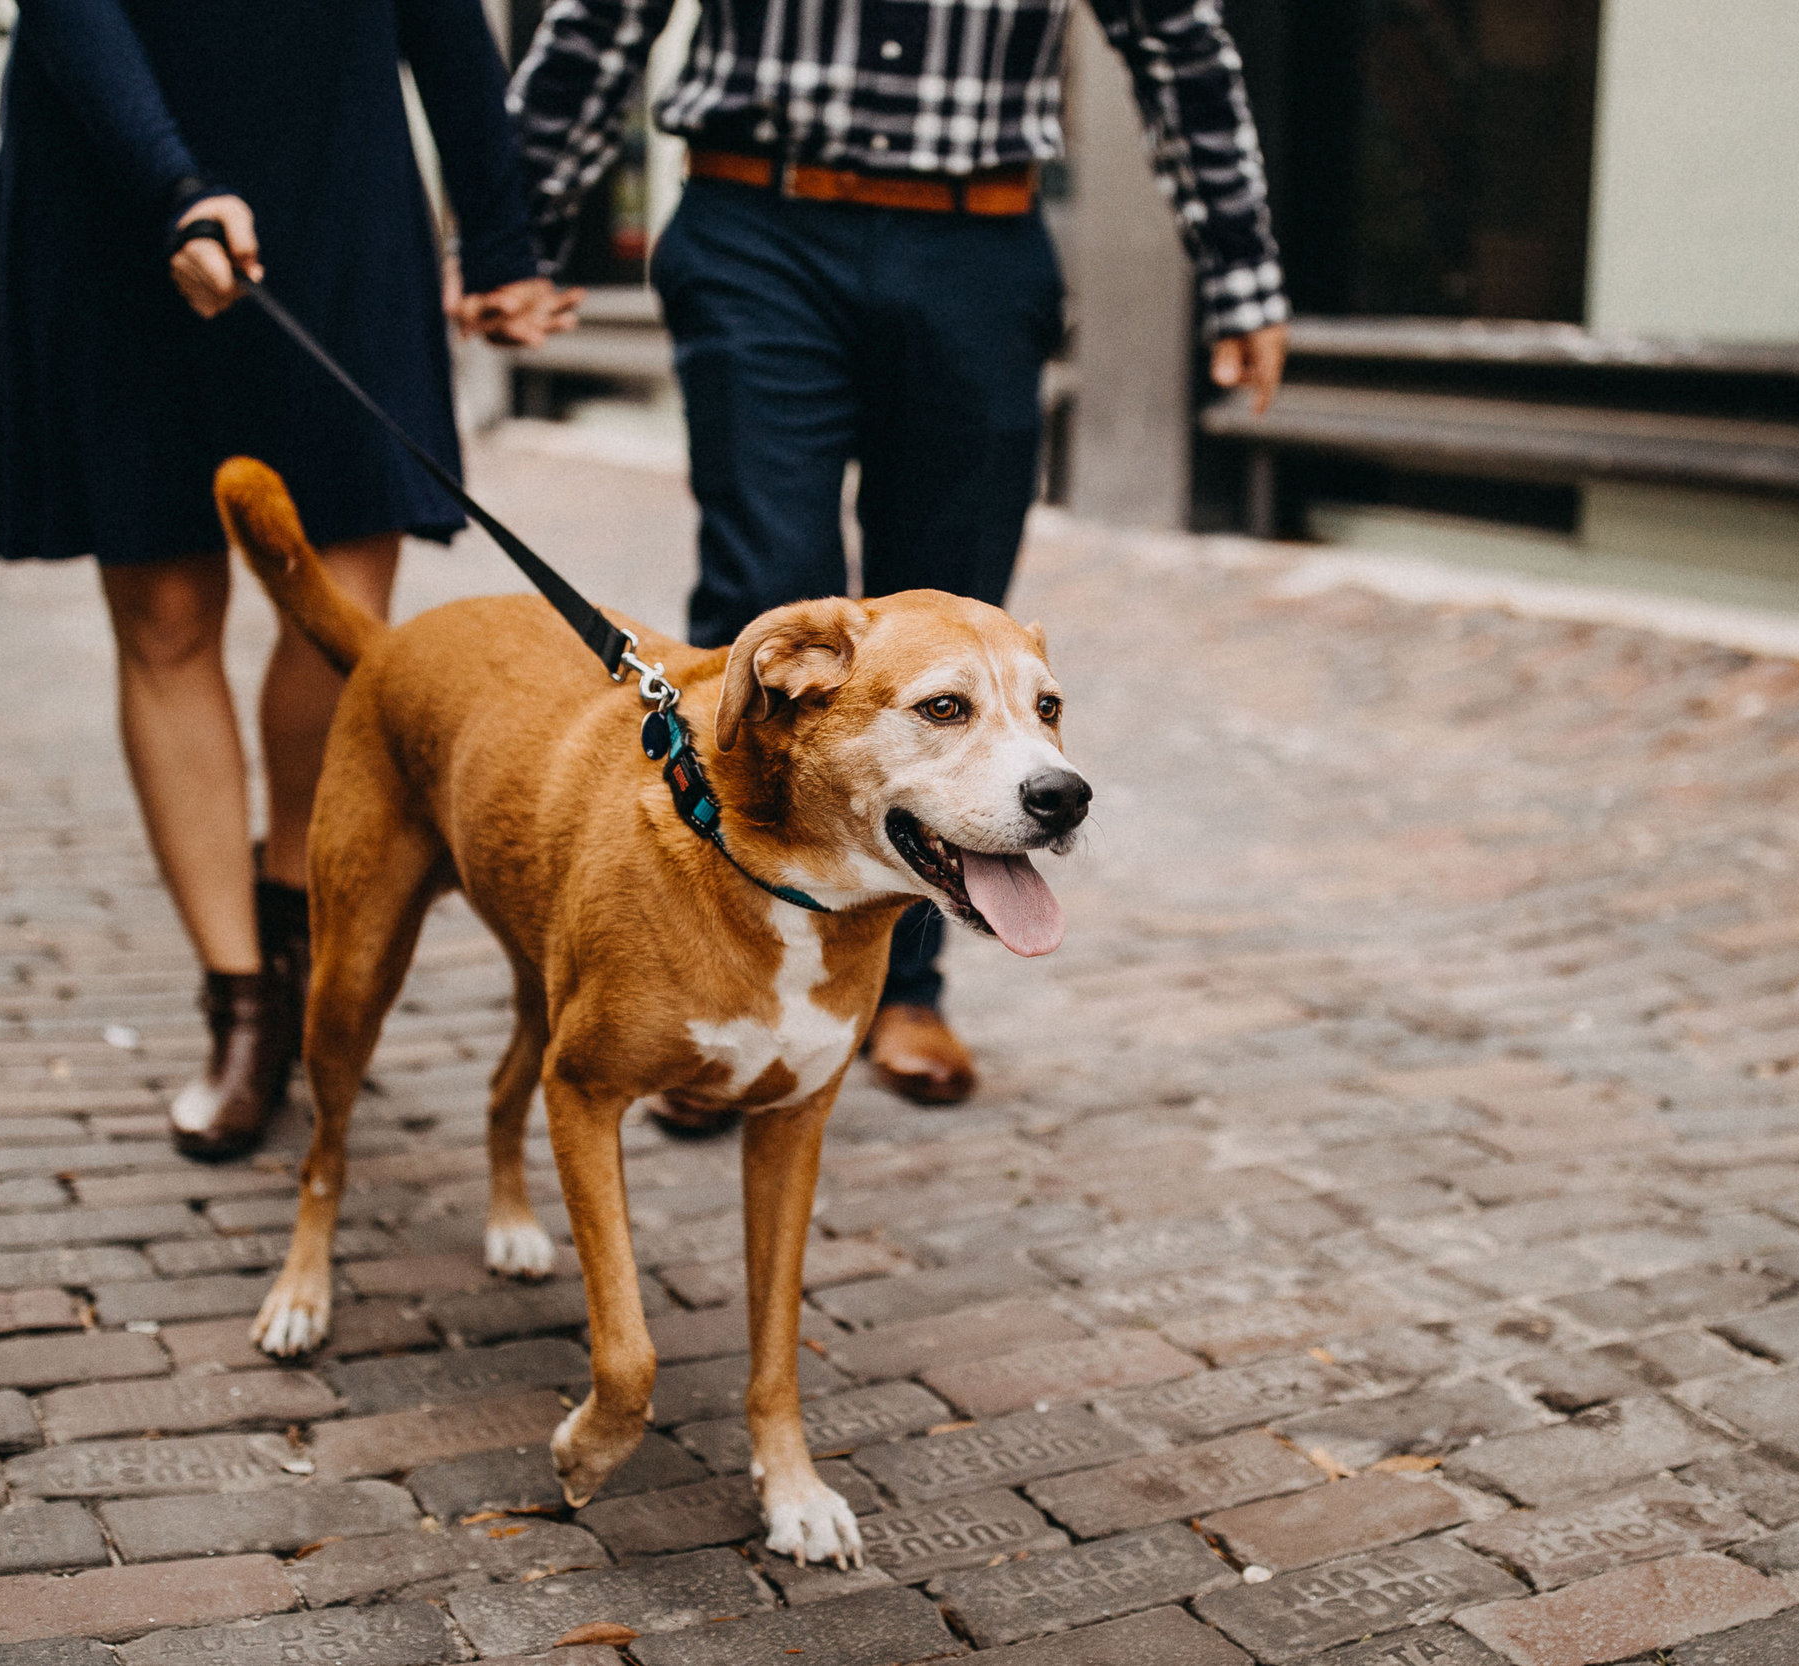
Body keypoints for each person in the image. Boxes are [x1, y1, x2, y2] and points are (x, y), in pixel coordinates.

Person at [509, 0, 1289, 1114]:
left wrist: (1240, 269)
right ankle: (716, 978)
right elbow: (600, 19)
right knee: (766, 605)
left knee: (954, 647)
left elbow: (1180, 43)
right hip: (755, 223)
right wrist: (518, 231)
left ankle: (900, 978)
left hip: (974, 242)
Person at [0, 0, 579, 1159]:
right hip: (112, 184)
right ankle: (240, 998)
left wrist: (499, 240)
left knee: (338, 613)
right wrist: (168, 187)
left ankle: (295, 927)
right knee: (168, 617)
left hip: (337, 186)